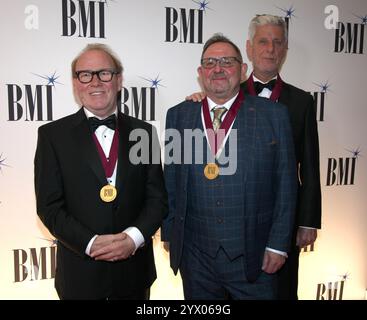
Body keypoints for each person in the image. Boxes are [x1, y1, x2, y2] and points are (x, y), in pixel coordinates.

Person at [186, 15, 322, 300]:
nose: (270, 49)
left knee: (281, 291)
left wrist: (308, 220)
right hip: (233, 228)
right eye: (263, 41)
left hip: (281, 223)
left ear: (285, 49)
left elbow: (309, 165)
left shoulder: (301, 101)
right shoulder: (223, 91)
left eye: (277, 42)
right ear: (248, 49)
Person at [161, 33, 297, 299]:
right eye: (210, 63)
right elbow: (172, 179)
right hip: (196, 258)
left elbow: (287, 184)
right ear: (200, 72)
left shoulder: (274, 115)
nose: (218, 69)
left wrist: (278, 245)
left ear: (243, 69)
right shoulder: (179, 115)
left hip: (255, 257)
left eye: (227, 61)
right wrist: (170, 233)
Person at [34, 43, 168, 300]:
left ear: (118, 80)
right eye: (85, 74)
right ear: (75, 83)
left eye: (104, 73)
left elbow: (157, 199)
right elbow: (49, 207)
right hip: (79, 276)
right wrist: (91, 243)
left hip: (134, 274)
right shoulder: (52, 136)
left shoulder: (144, 133)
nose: (95, 82)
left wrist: (133, 238)